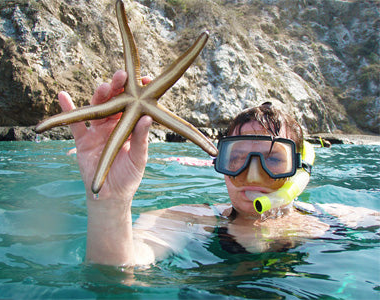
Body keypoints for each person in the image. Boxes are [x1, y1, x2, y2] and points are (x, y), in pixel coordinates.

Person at [58, 70, 380, 267]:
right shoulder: (184, 221)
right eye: (237, 158)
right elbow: (119, 271)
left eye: (273, 159)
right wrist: (111, 206)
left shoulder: (336, 220)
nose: (253, 175)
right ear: (220, 164)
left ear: (299, 168)